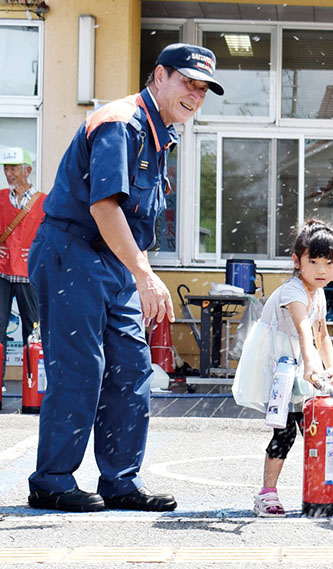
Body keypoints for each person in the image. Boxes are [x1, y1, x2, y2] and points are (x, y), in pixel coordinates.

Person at [27, 43, 224, 513]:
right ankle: (51, 480)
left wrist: (136, 270)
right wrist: (145, 273)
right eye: (187, 82)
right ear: (159, 76)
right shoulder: (121, 123)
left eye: (203, 89)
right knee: (80, 367)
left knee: (132, 369)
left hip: (114, 261)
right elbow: (103, 206)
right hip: (72, 252)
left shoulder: (161, 136)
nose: (195, 95)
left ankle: (120, 481)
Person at [234, 219, 333, 517]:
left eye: (329, 262)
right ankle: (266, 494)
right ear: (296, 261)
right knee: (285, 431)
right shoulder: (293, 291)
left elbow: (322, 334)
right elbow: (304, 331)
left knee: (316, 431)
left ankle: (324, 490)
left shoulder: (320, 292)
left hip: (301, 364)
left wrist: (331, 368)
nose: (321, 270)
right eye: (312, 261)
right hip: (279, 367)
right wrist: (312, 367)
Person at [0, 147, 44, 380]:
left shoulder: (44, 202)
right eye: (6, 168)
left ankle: (33, 383)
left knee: (33, 331)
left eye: (14, 168)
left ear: (27, 170)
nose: (9, 173)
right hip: (2, 273)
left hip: (30, 275)